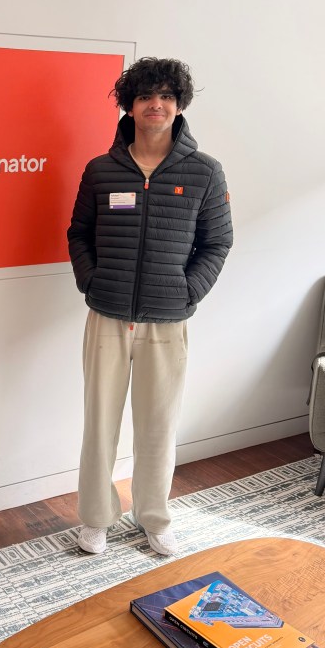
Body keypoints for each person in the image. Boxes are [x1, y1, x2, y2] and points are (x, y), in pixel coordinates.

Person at [68, 57, 232, 556]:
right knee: (99, 424)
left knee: (159, 426)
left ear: (178, 105)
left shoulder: (205, 172)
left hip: (167, 320)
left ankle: (153, 516)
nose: (155, 104)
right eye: (144, 96)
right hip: (107, 316)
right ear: (130, 106)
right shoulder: (101, 170)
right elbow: (79, 233)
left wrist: (187, 292)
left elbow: (217, 242)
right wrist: (91, 281)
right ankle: (96, 518)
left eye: (165, 96)